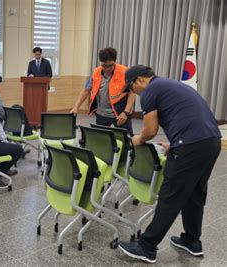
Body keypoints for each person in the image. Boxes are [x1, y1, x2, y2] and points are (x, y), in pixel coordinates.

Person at [118, 65, 222, 264]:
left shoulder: (149, 91)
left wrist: (137, 140)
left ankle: (146, 247)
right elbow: (189, 117)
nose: (133, 93)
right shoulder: (168, 84)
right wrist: (175, 144)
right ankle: (192, 241)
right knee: (195, 192)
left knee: (170, 195)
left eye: (131, 88)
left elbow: (149, 130)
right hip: (211, 141)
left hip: (191, 145)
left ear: (139, 80)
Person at [71, 47, 135, 135]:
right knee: (101, 139)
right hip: (102, 114)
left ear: (115, 61)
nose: (107, 68)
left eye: (110, 65)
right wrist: (76, 107)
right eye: (104, 65)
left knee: (127, 140)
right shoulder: (96, 72)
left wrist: (126, 113)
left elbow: (131, 93)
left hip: (120, 114)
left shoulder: (124, 72)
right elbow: (86, 90)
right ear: (100, 62)